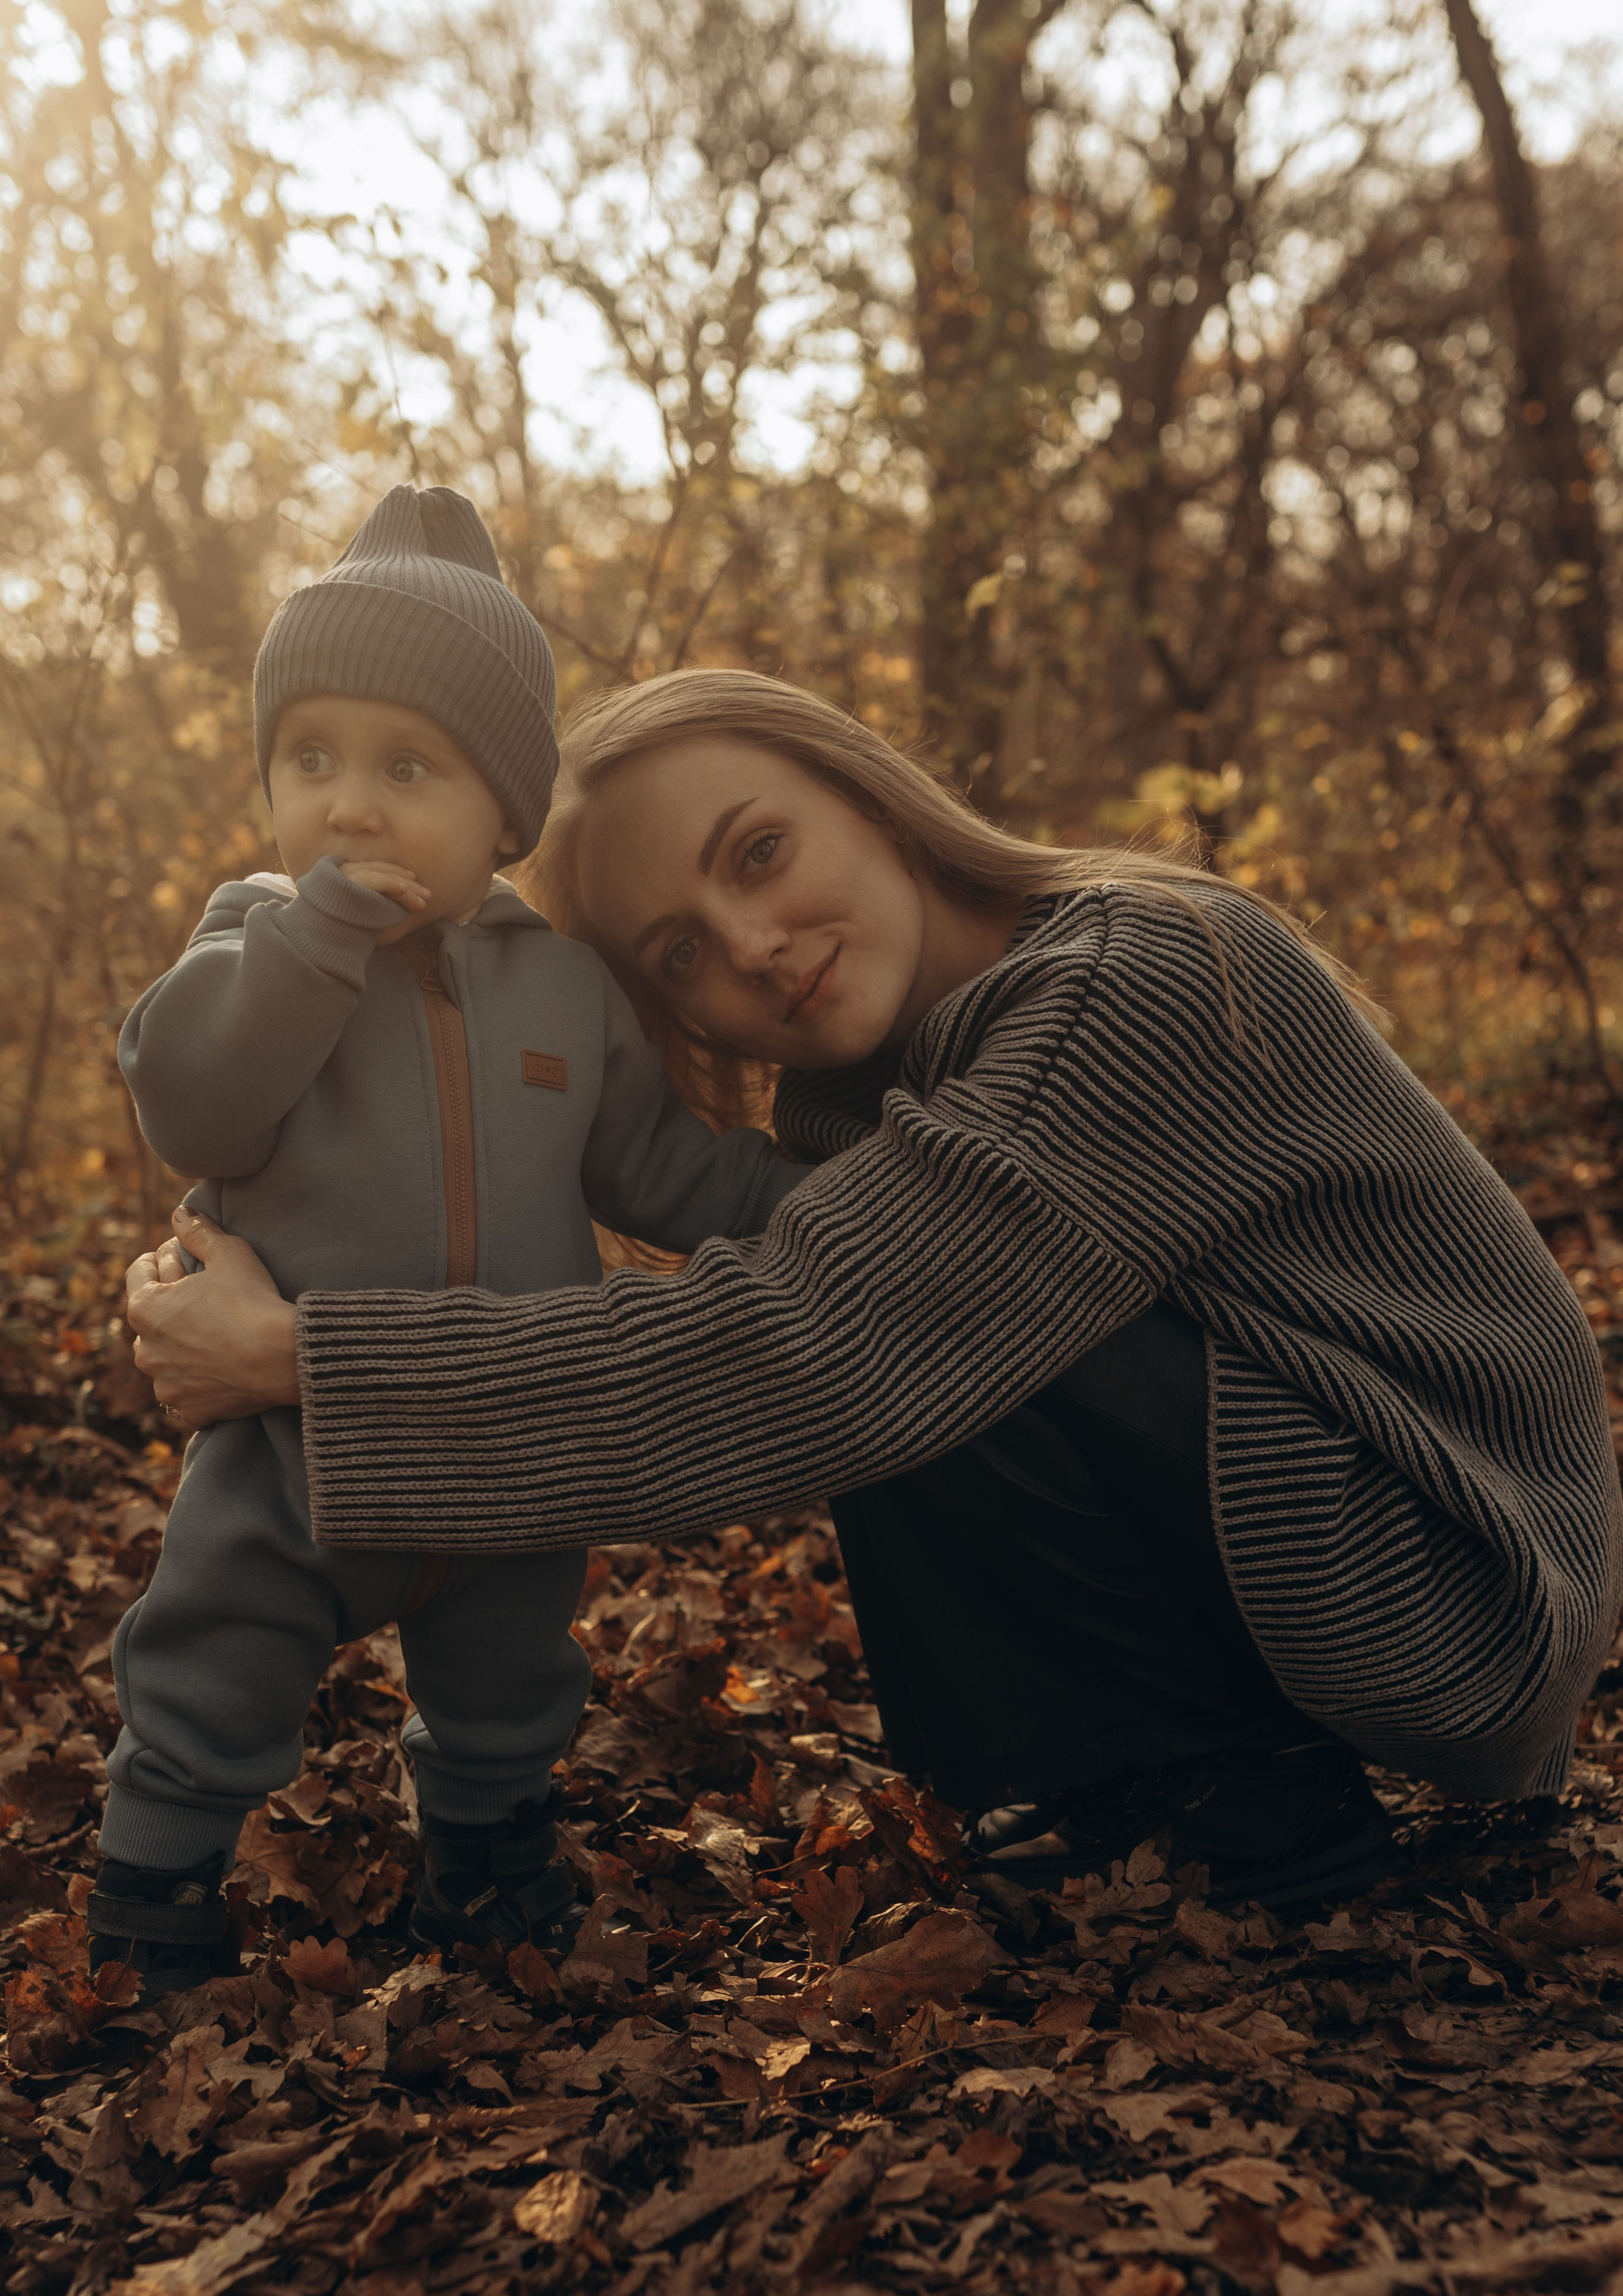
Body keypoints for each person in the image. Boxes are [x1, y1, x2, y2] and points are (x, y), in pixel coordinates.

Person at [126, 667, 1623, 1924]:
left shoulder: (1129, 979)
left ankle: (1238, 1801)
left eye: (758, 853)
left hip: (1460, 1579)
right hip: (1334, 1543)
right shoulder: (864, 1106)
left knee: (884, 1321)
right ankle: (1143, 1777)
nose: (750, 947)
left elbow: (789, 1350)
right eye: (677, 953)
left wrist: (304, 1362)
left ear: (870, 794)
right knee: (880, 1289)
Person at [91, 496, 807, 1996]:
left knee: (510, 1674)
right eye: (311, 760)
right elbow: (195, 1108)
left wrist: (809, 1196)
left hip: (506, 1433)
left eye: (406, 767)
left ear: (502, 816)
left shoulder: (560, 991)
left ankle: (484, 1863)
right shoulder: (252, 942)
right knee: (217, 1654)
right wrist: (306, 942)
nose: (348, 805)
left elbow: (657, 1167)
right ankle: (152, 1887)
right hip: (296, 1445)